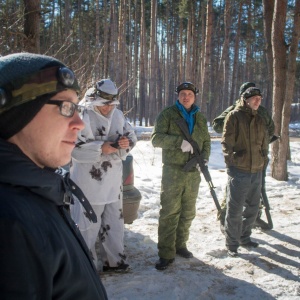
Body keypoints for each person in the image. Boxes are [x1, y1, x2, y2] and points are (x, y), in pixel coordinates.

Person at [0, 53, 107, 299]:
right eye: (66, 107)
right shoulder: (10, 224)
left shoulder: (37, 192)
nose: (79, 123)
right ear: (18, 112)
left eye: (77, 108)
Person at [70, 79, 137, 273]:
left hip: (113, 181)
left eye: (111, 104)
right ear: (94, 100)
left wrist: (125, 144)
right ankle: (85, 268)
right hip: (88, 183)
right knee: (87, 225)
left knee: (115, 223)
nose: (108, 108)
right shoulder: (80, 115)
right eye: (104, 104)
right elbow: (71, 148)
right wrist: (101, 148)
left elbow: (131, 136)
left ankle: (115, 262)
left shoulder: (117, 115)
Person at [151, 82, 211, 270]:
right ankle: (166, 254)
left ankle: (180, 245)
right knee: (170, 212)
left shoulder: (199, 117)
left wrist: (205, 159)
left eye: (190, 94)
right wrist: (179, 142)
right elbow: (156, 139)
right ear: (178, 96)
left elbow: (207, 141)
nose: (186, 97)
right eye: (183, 93)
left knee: (188, 212)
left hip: (193, 173)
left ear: (195, 97)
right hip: (173, 171)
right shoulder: (168, 114)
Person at [212, 82, 275, 231]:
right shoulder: (234, 111)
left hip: (258, 159)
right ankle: (225, 220)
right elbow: (217, 125)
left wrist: (260, 144)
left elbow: (271, 129)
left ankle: (254, 218)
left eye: (257, 97)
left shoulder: (262, 112)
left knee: (257, 189)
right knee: (233, 192)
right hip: (239, 160)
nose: (255, 100)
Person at [222, 86, 269, 257]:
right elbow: (226, 142)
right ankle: (232, 243)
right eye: (254, 98)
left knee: (253, 207)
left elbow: (264, 143)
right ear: (246, 99)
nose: (257, 101)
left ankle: (245, 237)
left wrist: (264, 160)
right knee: (235, 209)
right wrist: (231, 163)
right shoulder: (234, 116)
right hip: (239, 170)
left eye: (260, 98)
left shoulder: (260, 119)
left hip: (257, 170)